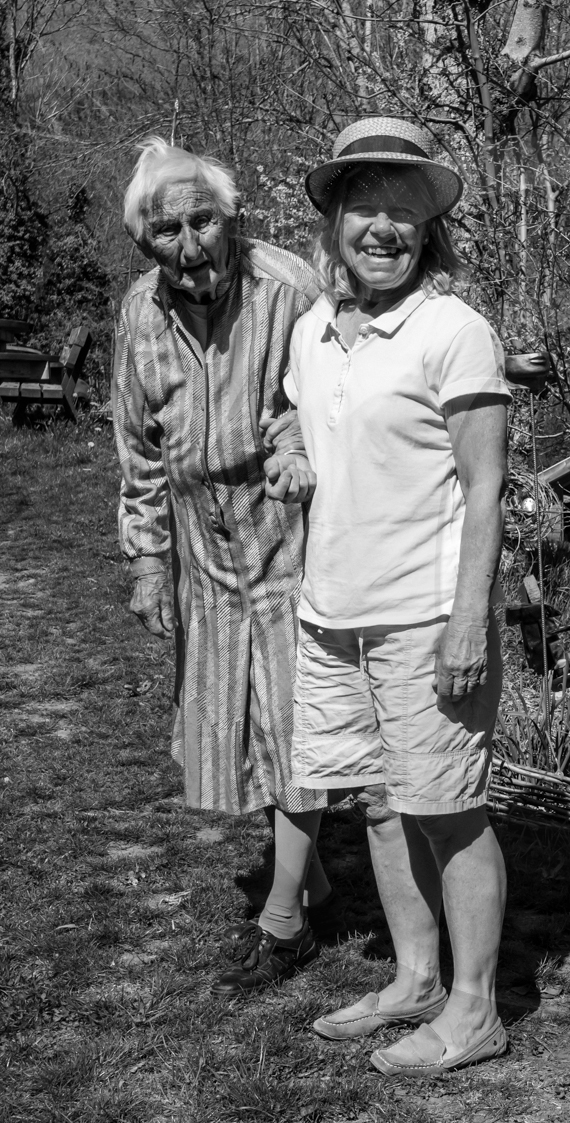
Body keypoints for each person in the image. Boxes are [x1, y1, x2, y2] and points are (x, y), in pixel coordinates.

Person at [287, 117, 510, 1078]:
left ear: (429, 228)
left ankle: (475, 1010)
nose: (383, 228)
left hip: (425, 614)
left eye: (404, 211)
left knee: (448, 807)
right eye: (365, 206)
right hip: (331, 611)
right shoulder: (310, 333)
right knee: (381, 803)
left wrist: (469, 621)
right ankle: (415, 979)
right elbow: (306, 429)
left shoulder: (453, 331)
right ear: (335, 219)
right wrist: (287, 450)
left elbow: (486, 487)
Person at [112, 139, 335, 999]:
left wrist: (294, 441)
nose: (189, 243)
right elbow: (138, 449)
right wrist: (147, 560)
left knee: (292, 724)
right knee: (231, 728)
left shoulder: (288, 288)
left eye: (202, 220)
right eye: (167, 231)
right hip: (203, 549)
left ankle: (284, 920)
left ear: (229, 217)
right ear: (146, 242)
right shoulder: (139, 314)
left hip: (288, 534)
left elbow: (332, 394)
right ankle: (312, 876)